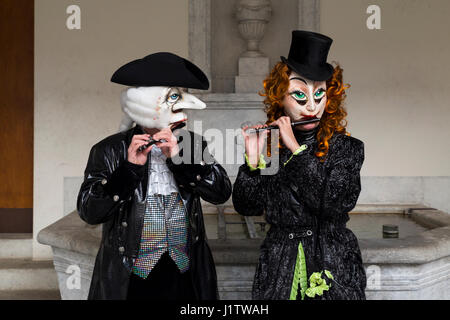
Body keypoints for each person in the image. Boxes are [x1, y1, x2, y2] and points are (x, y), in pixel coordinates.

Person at [77, 52, 232, 300]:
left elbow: (221, 192)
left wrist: (182, 161)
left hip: (184, 275)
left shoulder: (192, 143)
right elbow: (89, 212)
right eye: (174, 96)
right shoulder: (108, 150)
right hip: (131, 278)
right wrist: (128, 170)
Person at [232, 31, 366, 300]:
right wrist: (253, 161)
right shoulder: (271, 148)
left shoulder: (347, 149)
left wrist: (296, 148)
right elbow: (247, 207)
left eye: (319, 95)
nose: (312, 107)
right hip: (280, 264)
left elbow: (331, 202)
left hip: (331, 259)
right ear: (280, 98)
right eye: (300, 96)